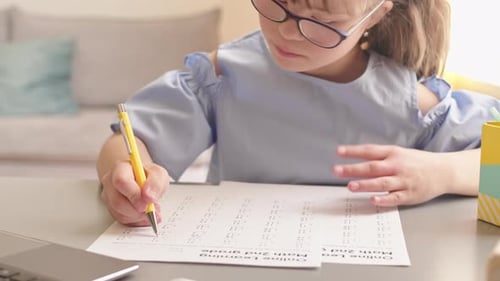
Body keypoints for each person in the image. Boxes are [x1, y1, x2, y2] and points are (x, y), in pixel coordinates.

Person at [97, 0, 500, 226]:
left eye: (322, 21)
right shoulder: (227, 73)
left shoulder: (409, 101)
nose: (288, 32)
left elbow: (495, 165)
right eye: (278, 5)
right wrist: (125, 176)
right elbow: (132, 140)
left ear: (374, 15)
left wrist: (441, 172)